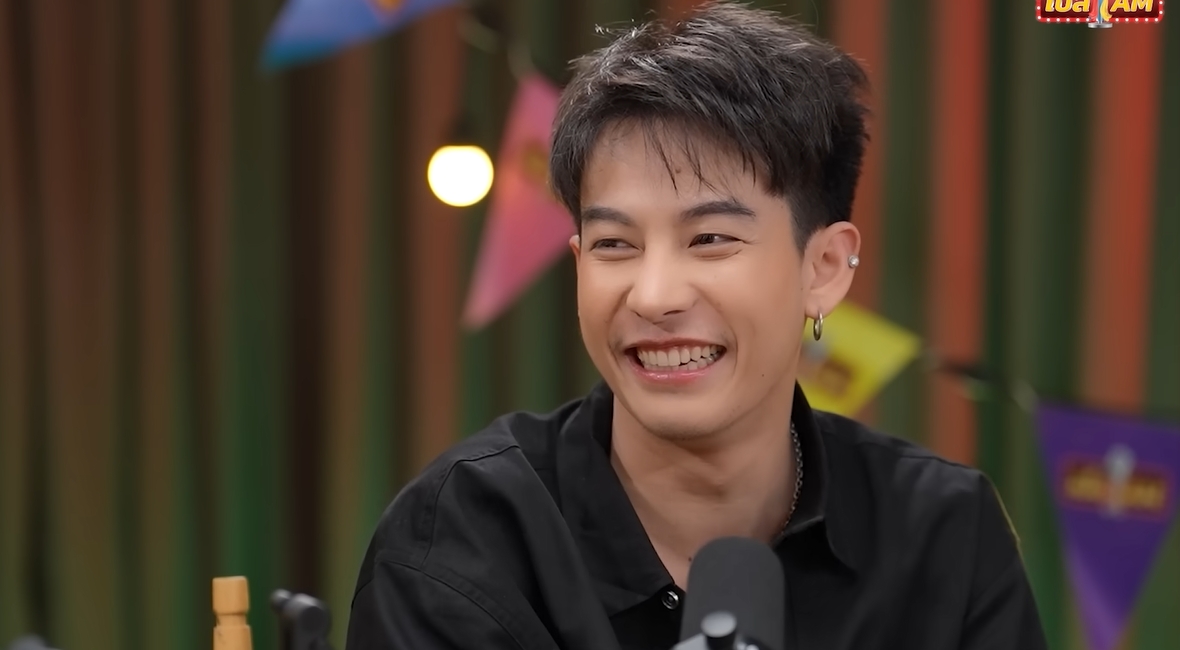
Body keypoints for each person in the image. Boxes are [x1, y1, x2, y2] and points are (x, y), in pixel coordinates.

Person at [344, 2, 1047, 649]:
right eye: (615, 244)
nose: (654, 296)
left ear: (825, 267)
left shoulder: (944, 538)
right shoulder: (460, 543)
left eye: (711, 239)